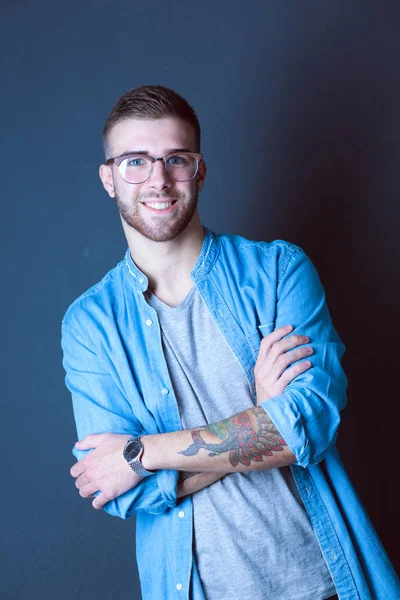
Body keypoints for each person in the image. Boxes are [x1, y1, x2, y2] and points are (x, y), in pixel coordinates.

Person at [62, 85, 399, 600]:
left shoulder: (279, 271)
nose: (158, 179)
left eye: (176, 159)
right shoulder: (89, 325)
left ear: (199, 169)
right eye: (135, 161)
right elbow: (123, 495)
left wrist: (141, 452)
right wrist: (260, 417)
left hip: (323, 585)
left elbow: (303, 426)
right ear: (109, 178)